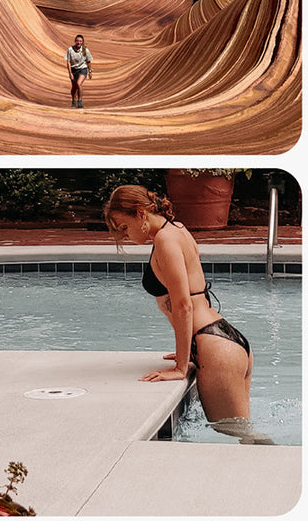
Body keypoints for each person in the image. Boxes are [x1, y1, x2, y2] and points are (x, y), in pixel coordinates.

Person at [103, 184, 268, 442]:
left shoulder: (165, 241)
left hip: (214, 348)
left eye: (124, 227)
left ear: (140, 214)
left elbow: (182, 305)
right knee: (242, 434)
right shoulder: (176, 228)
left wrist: (181, 367)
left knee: (244, 437)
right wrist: (184, 352)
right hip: (225, 340)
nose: (124, 235)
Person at [64, 34, 93, 108]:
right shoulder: (70, 49)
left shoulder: (85, 50)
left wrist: (90, 71)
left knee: (78, 83)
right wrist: (70, 73)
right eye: (77, 41)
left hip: (83, 69)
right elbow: (68, 62)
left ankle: (80, 100)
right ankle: (74, 100)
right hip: (74, 70)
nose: (79, 42)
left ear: (82, 42)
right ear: (75, 41)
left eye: (80, 41)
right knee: (74, 87)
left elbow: (88, 61)